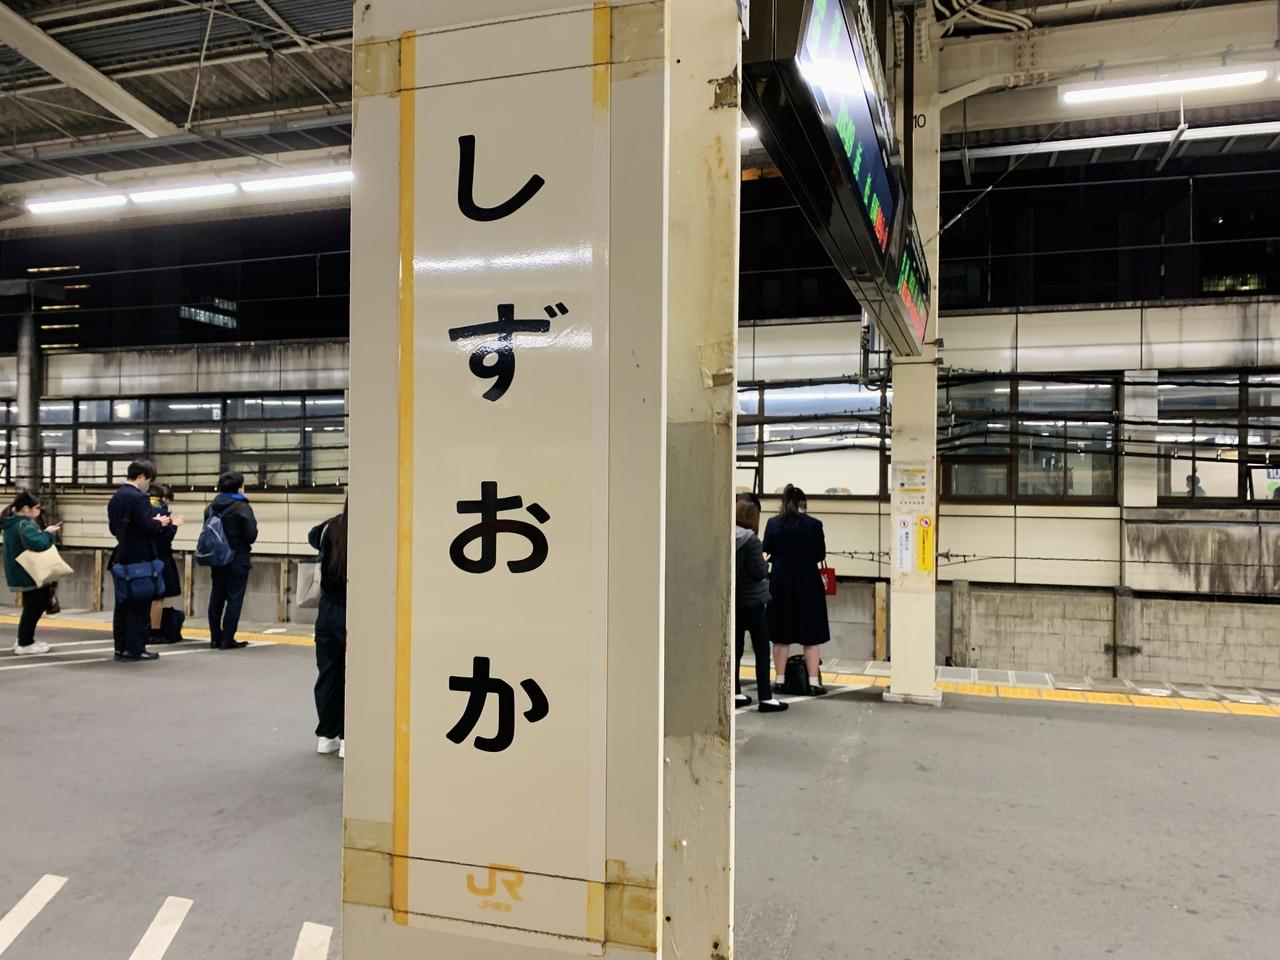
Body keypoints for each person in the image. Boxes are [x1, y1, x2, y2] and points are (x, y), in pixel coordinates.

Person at [763, 484, 830, 695]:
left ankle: (780, 680)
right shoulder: (814, 525)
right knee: (810, 636)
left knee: (781, 635)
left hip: (781, 583)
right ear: (803, 503)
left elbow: (767, 551)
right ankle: (813, 682)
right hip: (808, 584)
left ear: (783, 503)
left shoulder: (773, 523)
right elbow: (820, 554)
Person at [108, 460, 171, 662]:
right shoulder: (139, 498)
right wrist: (159, 522)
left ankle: (120, 647)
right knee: (139, 604)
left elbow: (114, 528)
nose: (148, 484)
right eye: (148, 480)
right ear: (142, 476)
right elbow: (146, 526)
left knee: (122, 605)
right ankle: (135, 648)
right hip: (139, 558)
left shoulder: (117, 496)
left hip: (121, 555)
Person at [735, 498, 787, 714]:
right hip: (754, 603)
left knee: (736, 649)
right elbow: (759, 572)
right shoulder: (752, 541)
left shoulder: (729, 536)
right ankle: (765, 697)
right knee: (761, 651)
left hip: (735, 601)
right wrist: (764, 560)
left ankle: (735, 692)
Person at [309, 501, 348, 757]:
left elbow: (311, 536)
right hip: (355, 612)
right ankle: (348, 737)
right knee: (354, 677)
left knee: (328, 673)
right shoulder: (371, 532)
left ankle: (326, 736)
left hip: (327, 613)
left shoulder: (329, 528)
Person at [2, 491, 61, 655]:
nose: (39, 511)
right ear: (26, 509)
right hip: (30, 572)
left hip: (20, 570)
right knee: (35, 607)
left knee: (31, 606)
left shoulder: (11, 523)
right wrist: (48, 533)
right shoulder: (25, 524)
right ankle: (25, 642)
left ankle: (24, 639)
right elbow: (38, 544)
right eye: (37, 508)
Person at [206, 471, 258, 650]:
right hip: (237, 558)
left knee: (216, 597)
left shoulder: (211, 507)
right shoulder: (242, 507)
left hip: (217, 558)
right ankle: (227, 639)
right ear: (240, 487)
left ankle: (215, 637)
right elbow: (251, 535)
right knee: (234, 599)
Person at [148, 484, 185, 643]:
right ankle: (155, 632)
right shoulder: (162, 513)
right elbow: (165, 537)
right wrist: (174, 525)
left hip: (141, 558)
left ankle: (142, 629)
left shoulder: (140, 511)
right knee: (158, 598)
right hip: (160, 559)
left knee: (143, 597)